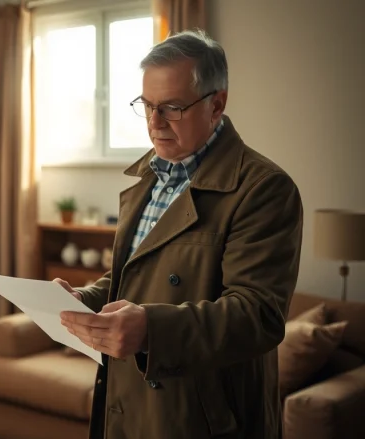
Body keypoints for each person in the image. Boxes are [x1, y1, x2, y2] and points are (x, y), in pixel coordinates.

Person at [58, 29, 303, 439]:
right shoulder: (145, 180)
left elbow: (257, 315)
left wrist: (151, 329)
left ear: (217, 104)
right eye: (147, 105)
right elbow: (134, 273)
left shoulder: (264, 189)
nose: (154, 123)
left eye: (171, 107)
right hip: (131, 404)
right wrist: (84, 299)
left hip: (204, 419)